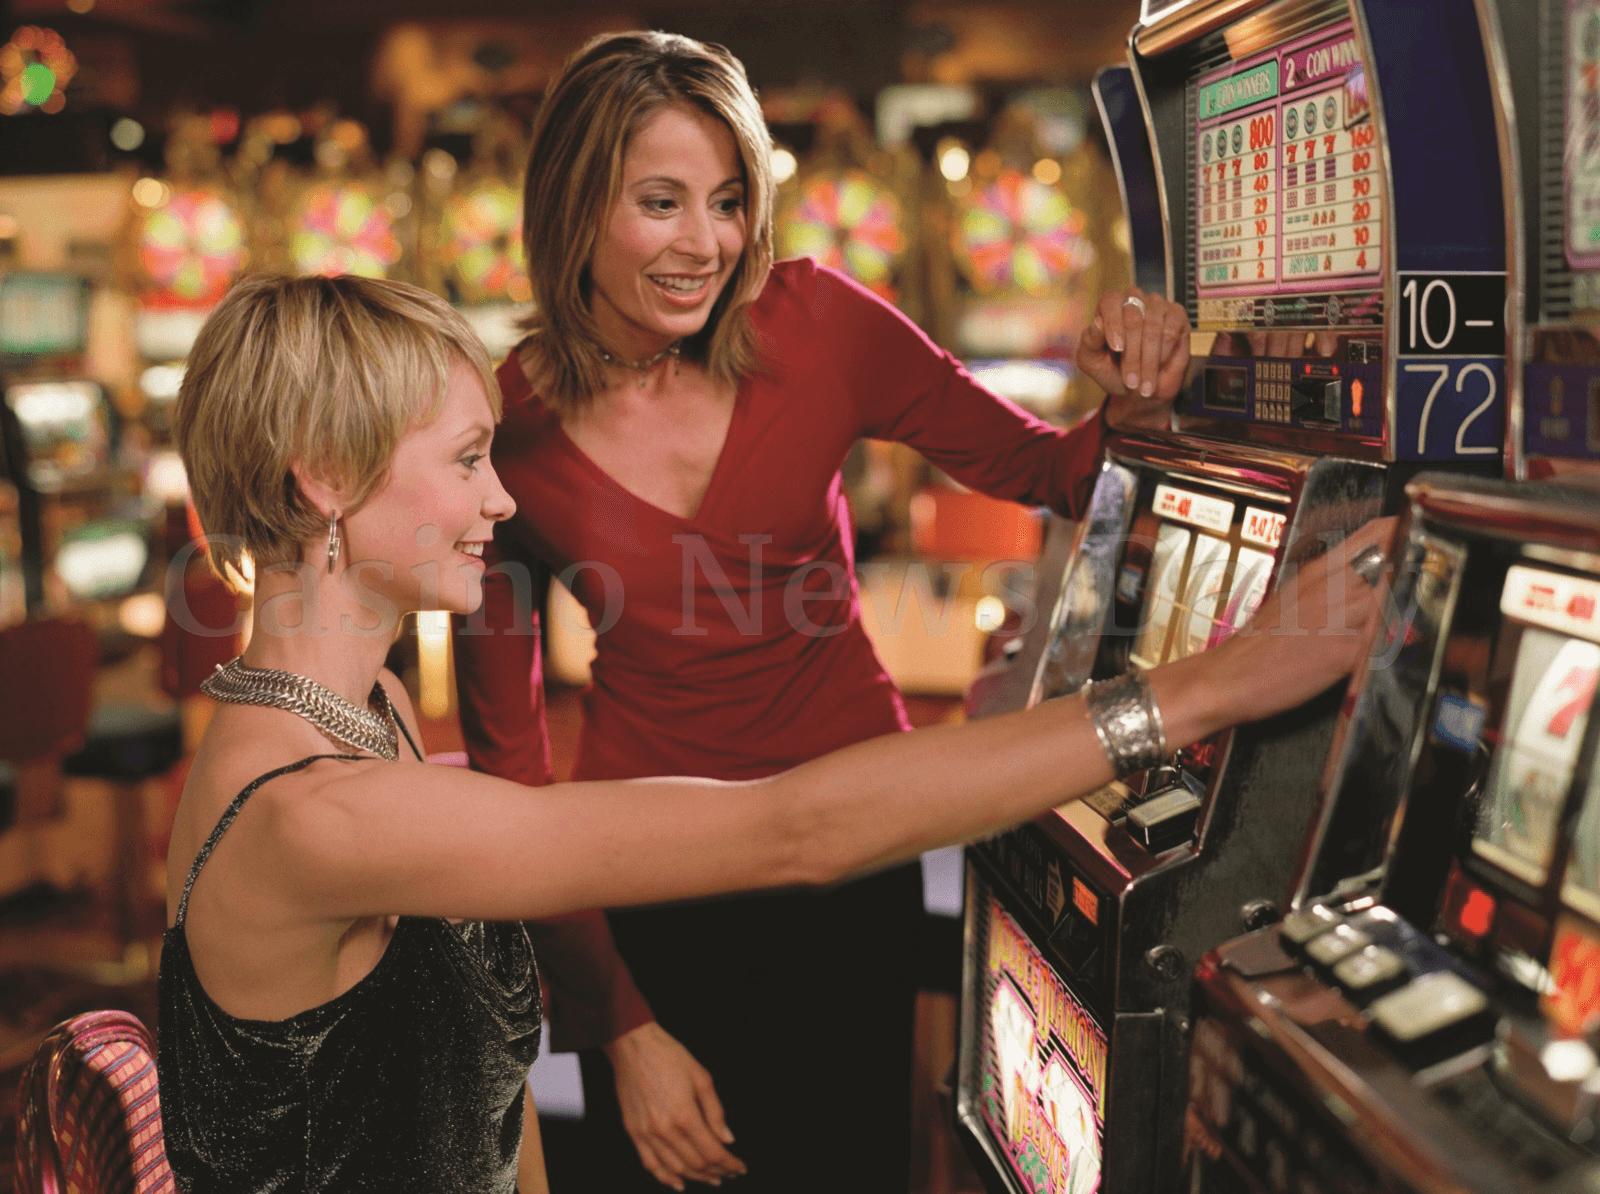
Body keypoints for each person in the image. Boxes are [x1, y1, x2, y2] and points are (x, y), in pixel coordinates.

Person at [158, 271, 1389, 1193]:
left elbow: (474, 1107)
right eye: (468, 458)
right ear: (323, 475)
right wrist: (1208, 689)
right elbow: (789, 828)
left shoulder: (340, 715)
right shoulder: (316, 813)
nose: (503, 496)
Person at [452, 30, 1195, 1194]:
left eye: (728, 200)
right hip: (651, 890)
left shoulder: (818, 324)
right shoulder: (507, 430)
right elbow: (509, 769)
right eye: (660, 202)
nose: (705, 242)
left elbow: (1057, 473)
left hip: (856, 852)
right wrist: (622, 1028)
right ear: (573, 206)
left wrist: (1133, 385)